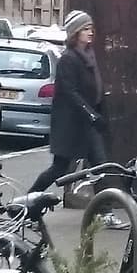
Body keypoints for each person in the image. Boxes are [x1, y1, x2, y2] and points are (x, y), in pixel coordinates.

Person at [30, 10, 108, 192]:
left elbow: (95, 88)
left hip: (88, 124)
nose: (90, 32)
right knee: (59, 168)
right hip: (71, 125)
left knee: (100, 166)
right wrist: (91, 115)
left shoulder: (89, 56)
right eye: (85, 29)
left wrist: (98, 113)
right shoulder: (68, 59)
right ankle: (29, 200)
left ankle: (104, 210)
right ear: (75, 33)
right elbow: (71, 92)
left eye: (91, 28)